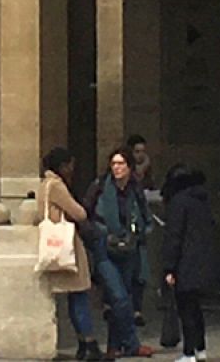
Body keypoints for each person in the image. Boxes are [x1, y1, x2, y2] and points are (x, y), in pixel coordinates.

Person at [85, 147, 156, 358]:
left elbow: (145, 215)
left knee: (123, 297)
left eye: (121, 164)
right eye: (113, 163)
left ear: (129, 167)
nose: (116, 168)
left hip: (128, 248)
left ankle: (113, 346)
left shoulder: (135, 188)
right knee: (119, 297)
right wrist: (97, 235)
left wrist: (139, 232)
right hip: (105, 248)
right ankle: (132, 343)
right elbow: (85, 214)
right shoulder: (99, 186)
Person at [40, 147, 103, 362]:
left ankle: (84, 343)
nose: (72, 169)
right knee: (80, 295)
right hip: (68, 246)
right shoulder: (56, 185)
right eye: (70, 165)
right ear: (63, 165)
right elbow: (80, 213)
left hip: (58, 243)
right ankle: (88, 343)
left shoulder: (44, 185)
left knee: (75, 297)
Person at [161, 164, 214, 362]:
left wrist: (169, 267)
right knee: (196, 309)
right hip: (201, 261)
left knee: (186, 310)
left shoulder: (179, 202)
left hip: (185, 262)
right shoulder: (201, 200)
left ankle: (189, 352)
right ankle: (200, 349)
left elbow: (174, 237)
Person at [125, 134, 156, 327]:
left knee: (140, 272)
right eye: (136, 152)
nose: (140, 156)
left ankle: (137, 308)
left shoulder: (146, 170)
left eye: (142, 152)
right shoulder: (127, 174)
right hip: (125, 230)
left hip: (139, 231)